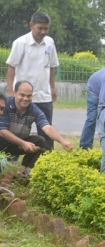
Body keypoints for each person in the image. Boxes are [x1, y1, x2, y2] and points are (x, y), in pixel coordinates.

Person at [6, 11, 59, 150]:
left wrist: (52, 88)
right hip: (24, 96)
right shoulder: (20, 43)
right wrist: (10, 91)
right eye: (40, 28)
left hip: (43, 96)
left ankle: (46, 161)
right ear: (31, 25)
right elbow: (11, 66)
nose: (43, 31)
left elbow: (52, 67)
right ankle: (12, 158)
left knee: (46, 131)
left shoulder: (50, 42)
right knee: (16, 130)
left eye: (46, 28)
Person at [0, 81, 73, 177]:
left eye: (29, 96)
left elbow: (47, 128)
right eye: (22, 95)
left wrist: (63, 141)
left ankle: (21, 172)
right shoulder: (4, 105)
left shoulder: (34, 109)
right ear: (15, 93)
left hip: (20, 145)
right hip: (3, 143)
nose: (25, 99)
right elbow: (2, 131)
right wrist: (22, 143)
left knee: (40, 141)